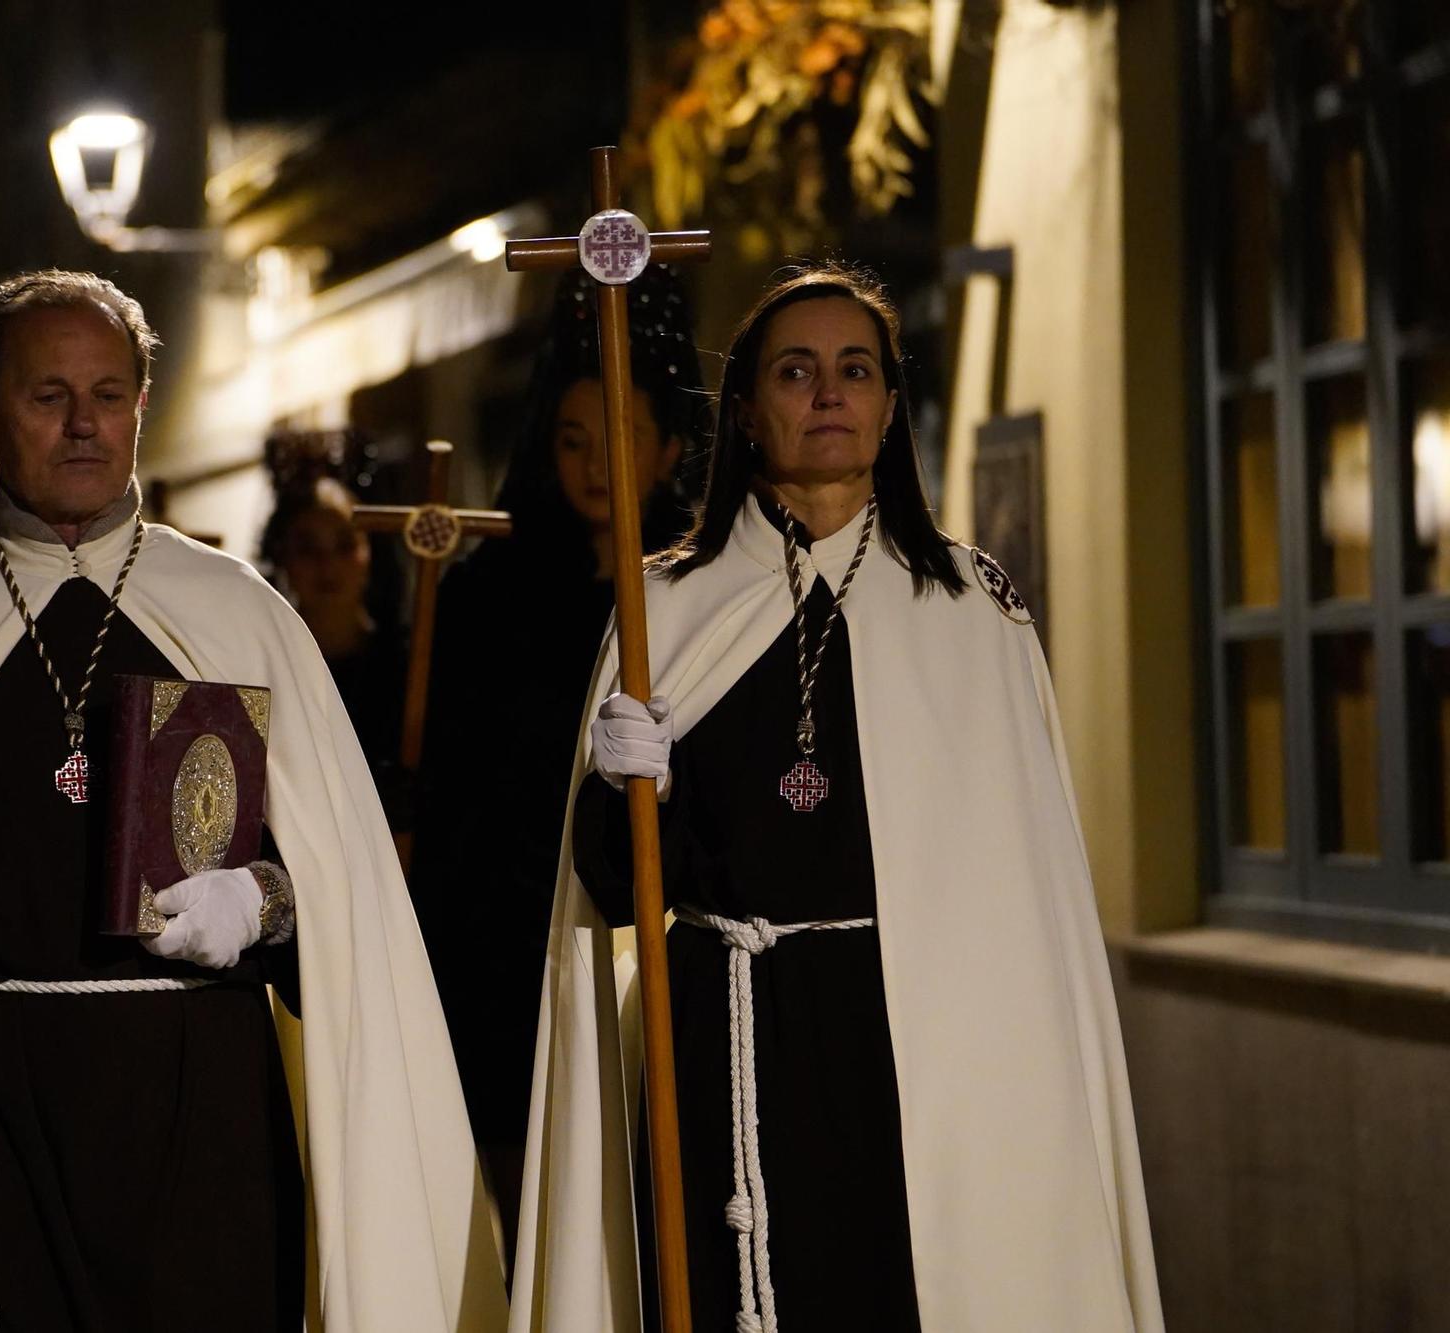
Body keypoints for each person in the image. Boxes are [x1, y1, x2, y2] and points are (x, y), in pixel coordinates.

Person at [0, 269, 504, 1332]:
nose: (83, 425)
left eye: (109, 395)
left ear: (140, 409)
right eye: (47, 395)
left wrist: (262, 900)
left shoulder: (238, 615)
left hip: (196, 1119)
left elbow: (347, 906)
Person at [511, 266, 1162, 1332]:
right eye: (795, 370)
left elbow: (1022, 896)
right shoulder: (665, 604)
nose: (826, 393)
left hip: (916, 1049)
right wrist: (631, 782)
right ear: (745, 407)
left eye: (853, 369)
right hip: (726, 1036)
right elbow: (614, 894)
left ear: (889, 405)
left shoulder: (965, 606)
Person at [408, 264, 701, 1245]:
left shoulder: (699, 589)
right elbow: (460, 774)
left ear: (665, 450)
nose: (592, 464)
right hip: (511, 936)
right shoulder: (493, 590)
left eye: (617, 437)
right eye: (571, 439)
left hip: (651, 924)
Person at [264, 477, 409, 817]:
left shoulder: (406, 663)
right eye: (307, 548)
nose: (327, 565)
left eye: (344, 545)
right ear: (283, 557)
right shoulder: (264, 665)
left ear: (369, 552)